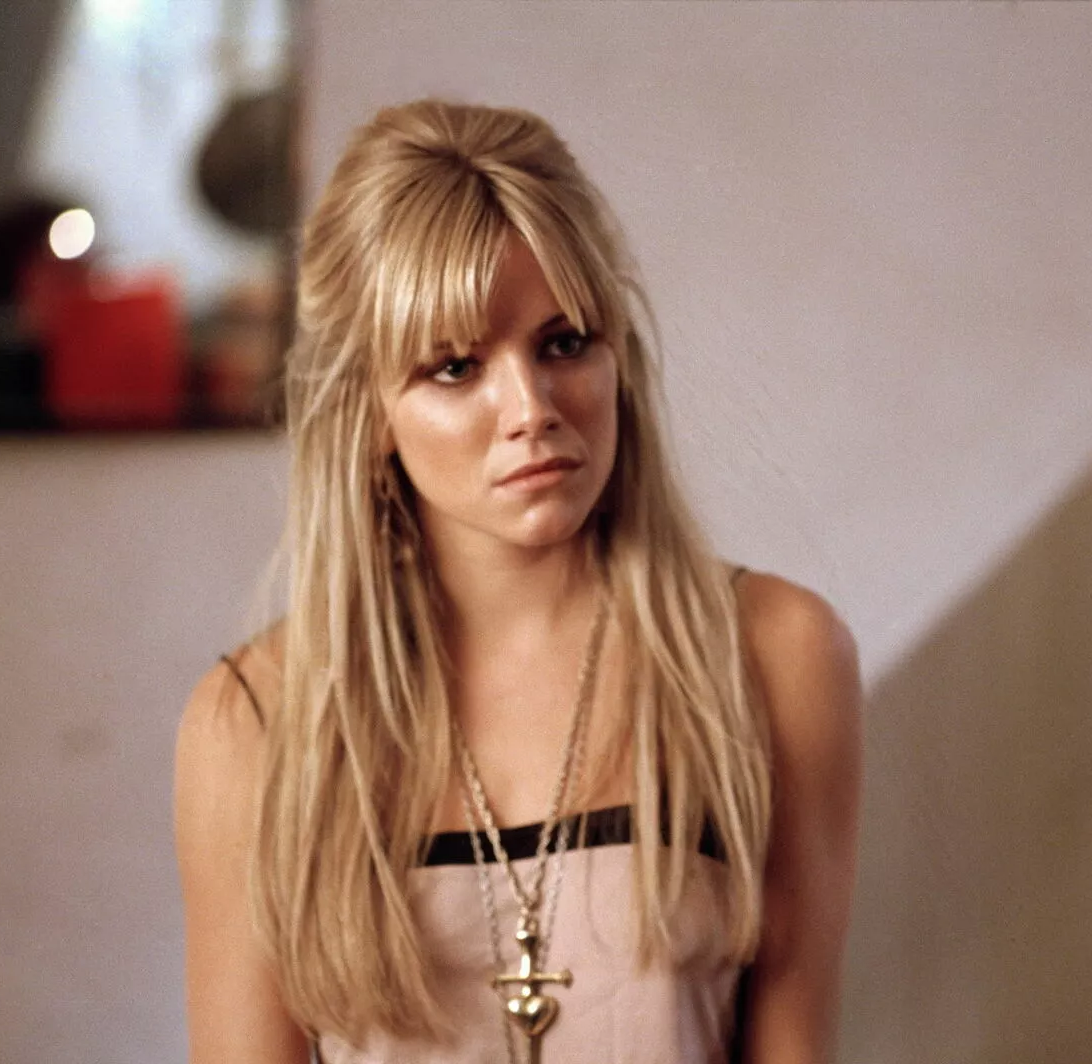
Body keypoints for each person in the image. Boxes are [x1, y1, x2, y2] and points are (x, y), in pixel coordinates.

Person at [173, 98, 862, 1064]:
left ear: (618, 356)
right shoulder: (253, 722)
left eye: (563, 342)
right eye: (455, 367)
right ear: (368, 410)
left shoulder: (776, 654)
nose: (530, 408)